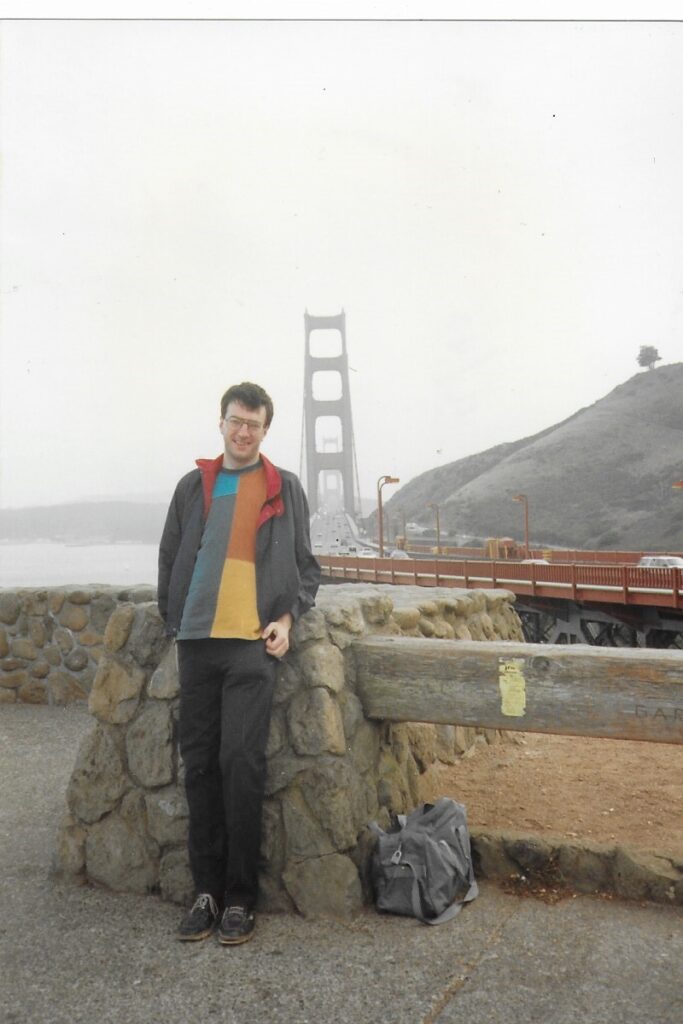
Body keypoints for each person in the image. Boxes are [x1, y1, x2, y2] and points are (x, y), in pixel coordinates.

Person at [158, 381, 320, 945]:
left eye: (254, 424)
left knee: (241, 765)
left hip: (251, 644)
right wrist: (174, 621)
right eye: (235, 421)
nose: (243, 432)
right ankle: (205, 892)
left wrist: (287, 620)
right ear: (221, 422)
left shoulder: (285, 487)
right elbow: (171, 556)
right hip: (196, 645)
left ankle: (240, 897)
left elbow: (306, 569)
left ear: (266, 429)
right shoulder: (192, 486)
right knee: (199, 766)